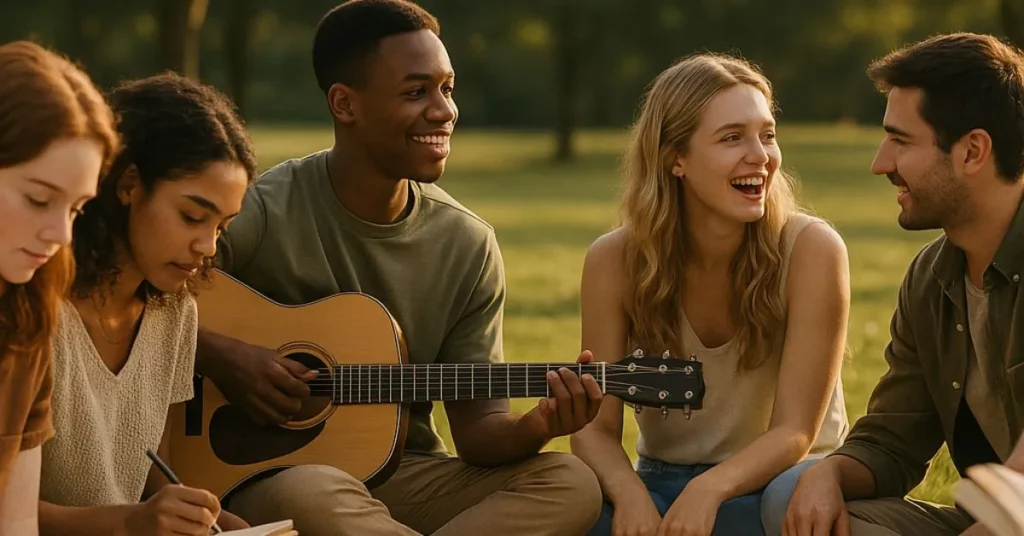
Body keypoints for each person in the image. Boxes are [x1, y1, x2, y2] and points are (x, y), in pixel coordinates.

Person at [191, 1, 603, 535]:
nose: (444, 111)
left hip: (403, 472)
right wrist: (227, 357)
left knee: (570, 483)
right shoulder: (264, 210)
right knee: (316, 492)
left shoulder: (467, 244)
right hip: (270, 472)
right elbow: (140, 302)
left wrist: (539, 424)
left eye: (447, 88)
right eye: (416, 92)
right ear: (345, 104)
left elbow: (478, 432)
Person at [570, 52, 852, 536]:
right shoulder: (613, 260)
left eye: (767, 134)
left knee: (780, 509)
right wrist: (630, 495)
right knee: (575, 504)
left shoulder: (812, 249)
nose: (761, 157)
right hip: (659, 479)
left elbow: (796, 433)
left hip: (780, 481)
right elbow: (594, 430)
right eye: (731, 138)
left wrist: (709, 490)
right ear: (674, 157)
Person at [779, 32, 1024, 536]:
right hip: (994, 520)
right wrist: (828, 473)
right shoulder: (930, 279)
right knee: (820, 516)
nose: (880, 163)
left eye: (900, 140)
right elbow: (893, 441)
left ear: (973, 151)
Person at [35, 73, 258, 536]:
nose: (207, 246)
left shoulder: (173, 313)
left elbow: (154, 476)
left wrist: (209, 520)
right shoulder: (37, 309)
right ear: (129, 184)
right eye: (192, 216)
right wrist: (131, 522)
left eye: (222, 226)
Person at [0, 40, 118, 535]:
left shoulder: (27, 318)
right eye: (38, 198)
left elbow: (17, 520)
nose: (62, 235)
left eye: (75, 208)